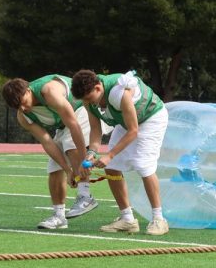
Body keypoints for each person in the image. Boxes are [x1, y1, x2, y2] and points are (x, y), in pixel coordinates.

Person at [71, 69, 170, 236]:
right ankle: (127, 220)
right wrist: (91, 153)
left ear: (98, 88)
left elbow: (133, 131)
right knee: (112, 167)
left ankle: (159, 219)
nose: (89, 103)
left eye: (89, 98)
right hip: (126, 122)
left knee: (143, 165)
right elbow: (95, 129)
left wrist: (109, 155)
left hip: (151, 118)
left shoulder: (119, 93)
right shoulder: (89, 100)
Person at [1, 75, 99, 230]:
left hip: (82, 111)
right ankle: (59, 216)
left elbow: (73, 125)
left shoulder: (49, 91)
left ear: (28, 91)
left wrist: (83, 160)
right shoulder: (23, 116)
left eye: (22, 103)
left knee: (70, 144)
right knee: (54, 168)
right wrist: (68, 171)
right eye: (17, 107)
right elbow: (47, 142)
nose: (23, 109)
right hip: (64, 125)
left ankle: (85, 195)